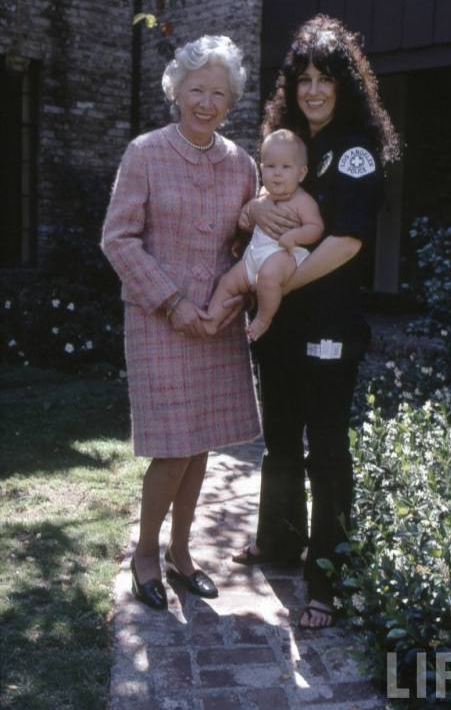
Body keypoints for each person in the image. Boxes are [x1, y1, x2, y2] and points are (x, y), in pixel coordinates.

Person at [232, 15, 400, 628]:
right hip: (278, 326)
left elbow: (350, 242)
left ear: (345, 83)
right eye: (302, 78)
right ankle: (278, 540)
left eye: (325, 78)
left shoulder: (354, 150)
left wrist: (273, 282)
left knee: (324, 447)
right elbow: (260, 202)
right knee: (278, 439)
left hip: (327, 325)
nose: (313, 90)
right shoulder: (287, 143)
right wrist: (253, 205)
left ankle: (328, 574)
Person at [101, 35, 261, 610]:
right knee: (172, 447)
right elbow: (117, 239)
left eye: (219, 93)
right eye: (197, 89)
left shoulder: (243, 164)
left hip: (215, 324)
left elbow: (252, 244)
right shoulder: (144, 152)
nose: (207, 101)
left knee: (200, 449)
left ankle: (182, 552)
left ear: (231, 100)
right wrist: (172, 302)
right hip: (158, 320)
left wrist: (225, 303)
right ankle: (147, 552)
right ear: (176, 89)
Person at [205, 129, 324, 341]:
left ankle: (263, 318)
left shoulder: (302, 201)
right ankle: (211, 319)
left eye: (286, 167)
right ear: (261, 169)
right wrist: (245, 218)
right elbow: (249, 219)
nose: (277, 173)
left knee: (268, 278)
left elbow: (316, 228)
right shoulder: (262, 196)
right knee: (227, 281)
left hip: (285, 256)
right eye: (270, 167)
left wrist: (295, 235)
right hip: (254, 256)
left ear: (301, 173)